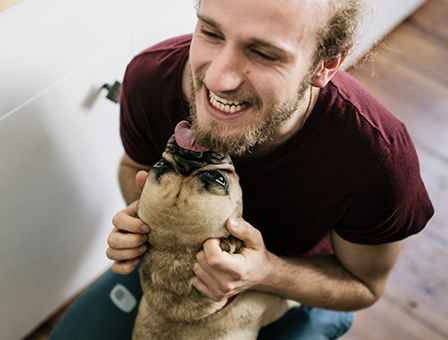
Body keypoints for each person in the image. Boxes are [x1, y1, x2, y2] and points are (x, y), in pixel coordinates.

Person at [49, 0, 434, 339]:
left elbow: (364, 285)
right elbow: (131, 167)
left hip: (300, 285)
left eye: (264, 53)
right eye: (211, 32)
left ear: (326, 64)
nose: (217, 79)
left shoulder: (376, 157)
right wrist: (149, 223)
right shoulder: (150, 79)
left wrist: (267, 273)